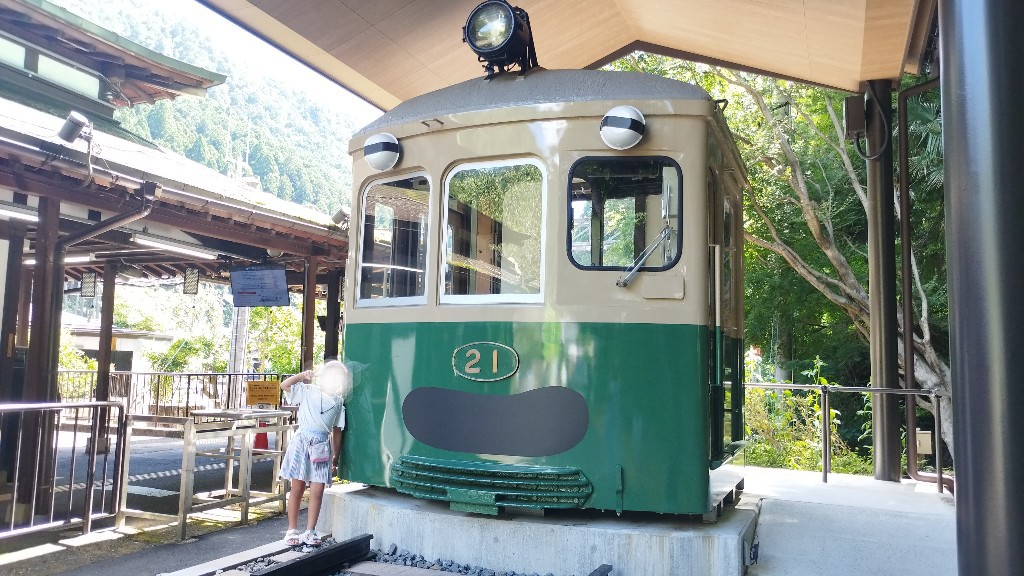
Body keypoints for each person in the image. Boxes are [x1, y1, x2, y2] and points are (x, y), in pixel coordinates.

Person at [278, 361, 348, 546]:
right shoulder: (308, 390)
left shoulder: (339, 402)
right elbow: (284, 385)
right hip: (301, 442)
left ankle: (310, 530)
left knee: (317, 491)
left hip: (322, 446)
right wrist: (303, 375)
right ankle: (292, 529)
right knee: (297, 487)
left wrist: (336, 457)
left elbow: (337, 431)